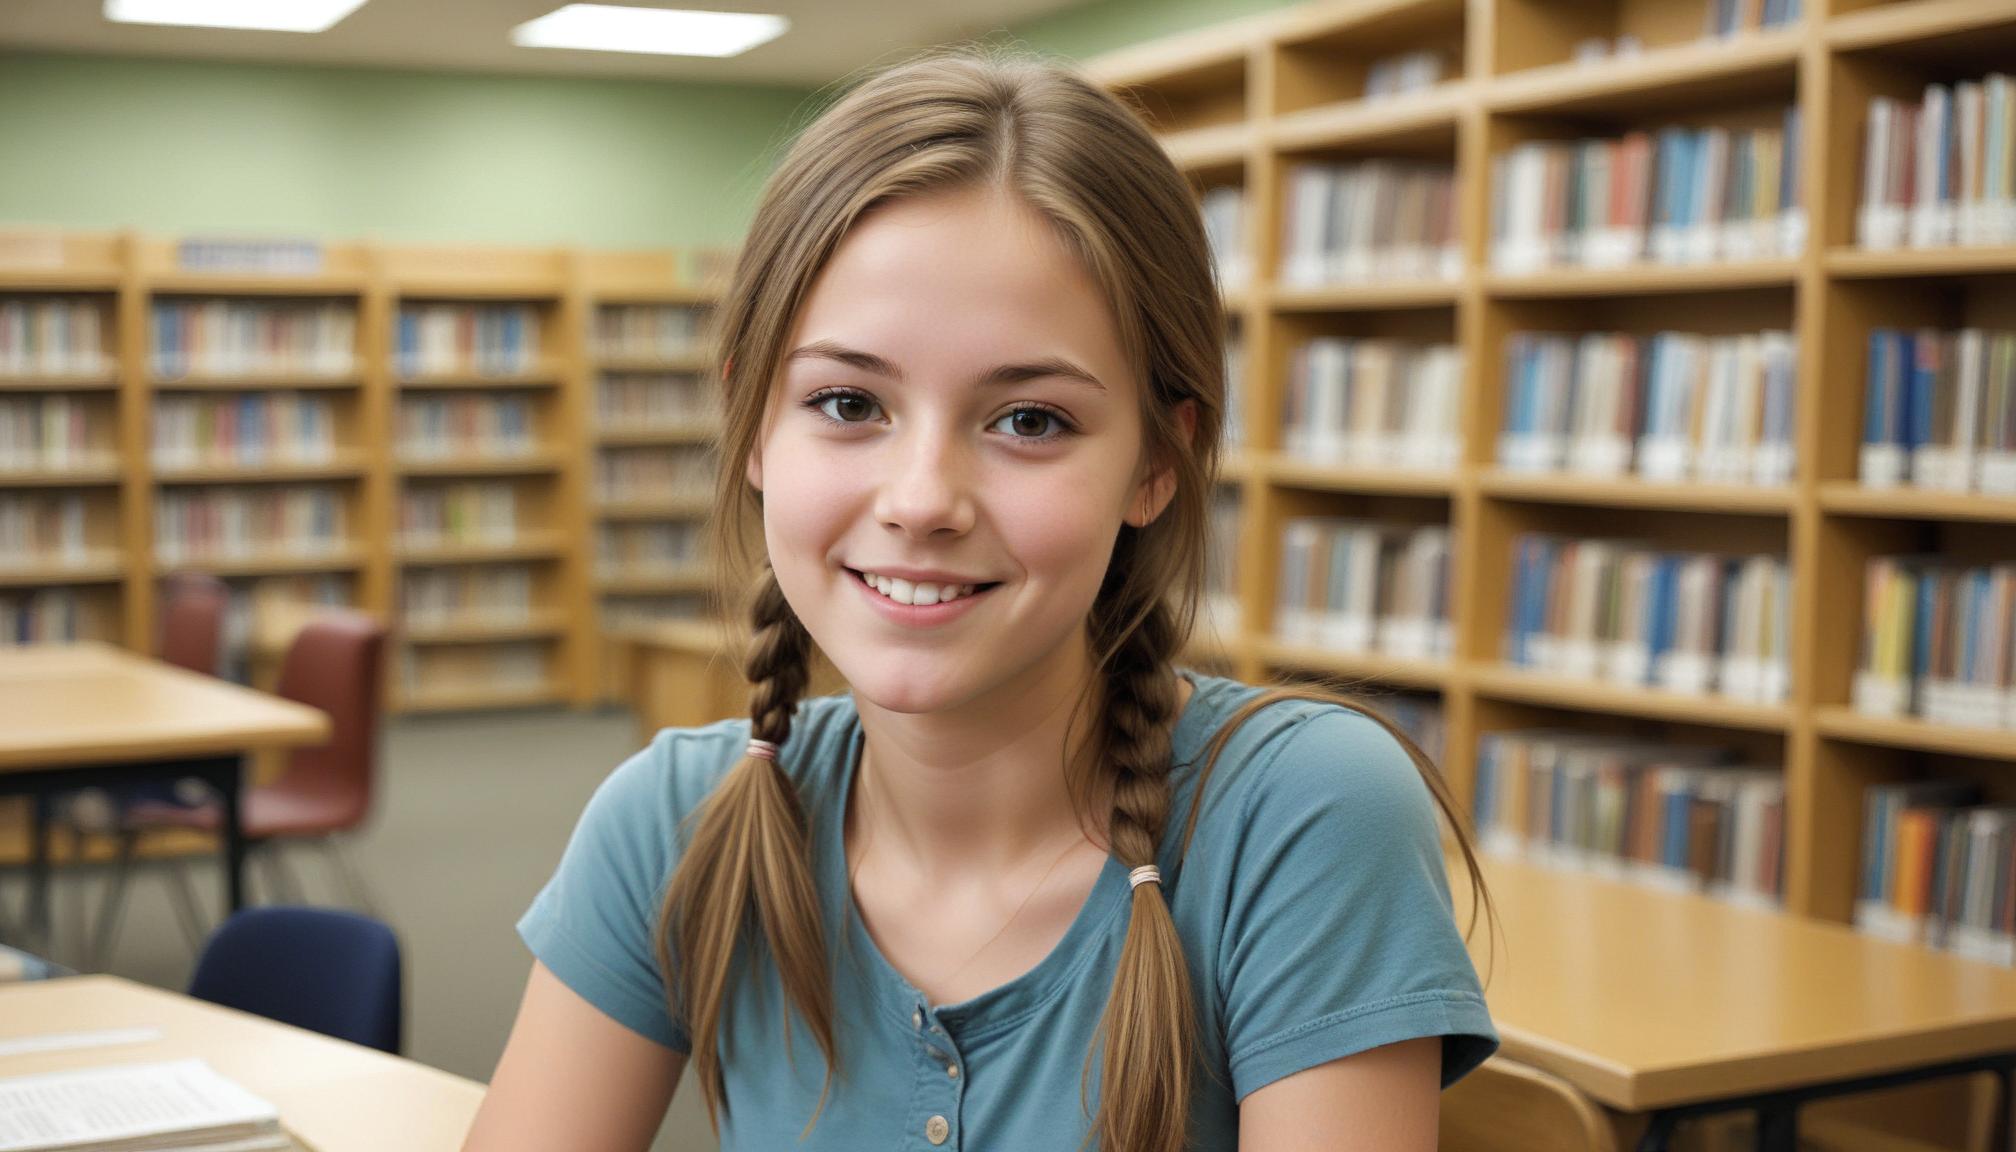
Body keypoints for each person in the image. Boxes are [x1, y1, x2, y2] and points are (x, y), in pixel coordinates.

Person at [464, 46, 1497, 1152]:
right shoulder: (673, 822)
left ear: (1157, 461)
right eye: (849, 400)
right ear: (754, 426)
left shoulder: (1303, 816)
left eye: (1030, 421)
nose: (922, 501)